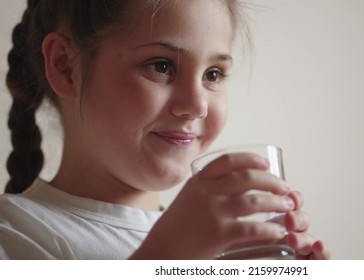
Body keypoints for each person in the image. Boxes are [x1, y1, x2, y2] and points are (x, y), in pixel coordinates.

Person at [0, 0, 331, 260]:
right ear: (66, 67)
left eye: (213, 74)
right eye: (161, 66)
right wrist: (168, 255)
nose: (197, 105)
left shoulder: (219, 252)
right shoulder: (14, 234)